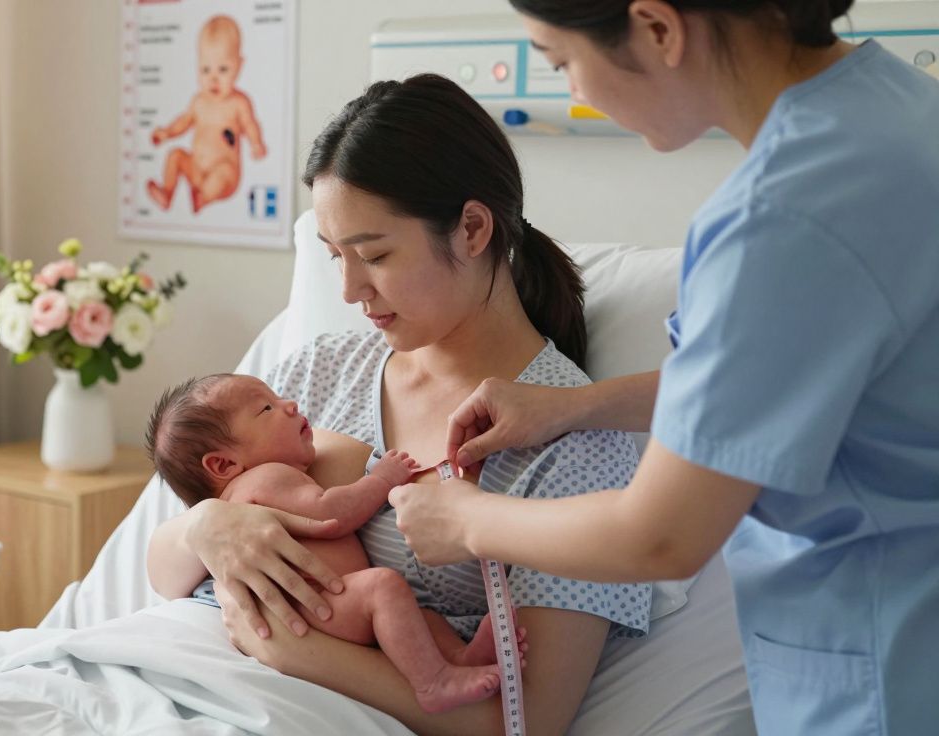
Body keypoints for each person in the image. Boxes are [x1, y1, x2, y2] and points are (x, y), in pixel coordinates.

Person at [388, 2, 939, 734]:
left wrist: (469, 520)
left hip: (882, 669)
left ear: (657, 28)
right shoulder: (898, 113)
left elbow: (661, 535)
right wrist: (575, 407)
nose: (578, 91)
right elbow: (785, 379)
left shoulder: (779, 219)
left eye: (561, 62)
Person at [147, 73, 652, 735]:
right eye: (334, 258)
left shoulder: (574, 435)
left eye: (374, 255)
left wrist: (290, 647)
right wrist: (206, 528)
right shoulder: (317, 373)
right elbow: (159, 566)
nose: (352, 289)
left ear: (472, 229)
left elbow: (519, 718)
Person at [145, 373, 509, 713]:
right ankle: (433, 682)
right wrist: (382, 480)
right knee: (384, 588)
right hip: (314, 605)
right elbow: (329, 514)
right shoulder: (265, 479)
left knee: (418, 617)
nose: (290, 404)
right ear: (224, 465)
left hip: (320, 605)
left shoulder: (251, 489)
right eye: (266, 408)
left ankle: (457, 661)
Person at [146, 14, 266, 213]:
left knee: (223, 172)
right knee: (175, 155)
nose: (213, 78)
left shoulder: (239, 102)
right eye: (205, 69)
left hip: (224, 173)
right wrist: (166, 133)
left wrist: (256, 143)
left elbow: (250, 124)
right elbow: (183, 122)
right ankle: (167, 193)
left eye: (223, 69)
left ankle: (202, 198)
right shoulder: (199, 101)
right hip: (196, 169)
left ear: (239, 66)